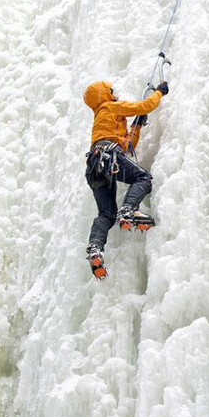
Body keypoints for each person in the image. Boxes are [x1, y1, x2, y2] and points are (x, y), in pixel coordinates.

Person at [82, 79, 169, 279]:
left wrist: (137, 125)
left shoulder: (102, 117)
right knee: (144, 178)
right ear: (104, 94)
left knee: (106, 214)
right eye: (111, 91)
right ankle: (128, 210)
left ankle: (95, 248)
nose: (115, 93)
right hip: (107, 155)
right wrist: (159, 93)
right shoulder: (110, 107)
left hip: (94, 166)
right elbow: (145, 105)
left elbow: (128, 146)